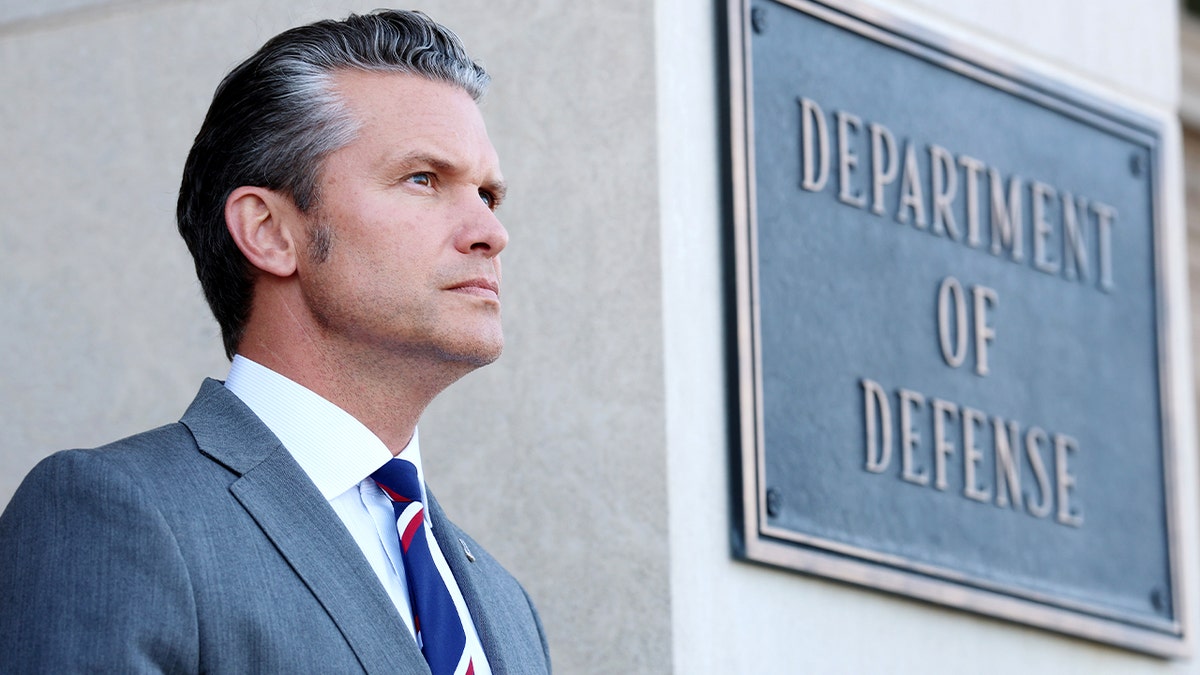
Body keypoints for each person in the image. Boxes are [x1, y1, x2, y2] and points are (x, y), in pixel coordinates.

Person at [0, 10, 550, 674]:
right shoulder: (115, 517)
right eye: (423, 179)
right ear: (268, 231)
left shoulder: (504, 604)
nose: (489, 230)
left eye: (489, 193)